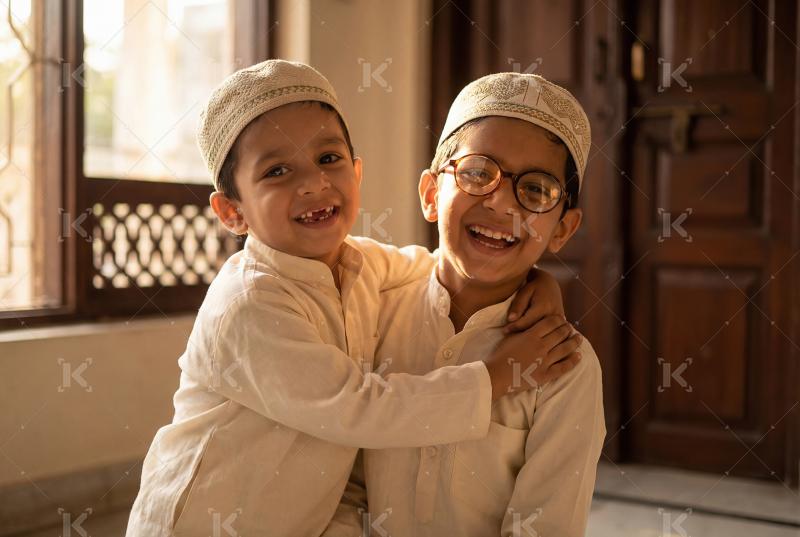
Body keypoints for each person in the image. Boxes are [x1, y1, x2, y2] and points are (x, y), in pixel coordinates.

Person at [125, 61, 583, 537]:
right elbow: (361, 409)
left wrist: (537, 281)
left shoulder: (361, 265)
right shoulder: (248, 303)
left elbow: (442, 266)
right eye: (277, 170)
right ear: (232, 211)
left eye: (328, 159)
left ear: (356, 172)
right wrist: (497, 376)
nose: (313, 183)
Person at [347, 72, 606, 537]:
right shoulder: (370, 311)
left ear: (563, 229)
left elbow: (544, 527)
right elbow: (340, 480)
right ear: (431, 193)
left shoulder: (565, 366)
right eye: (477, 173)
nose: (502, 202)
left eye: (537, 189)